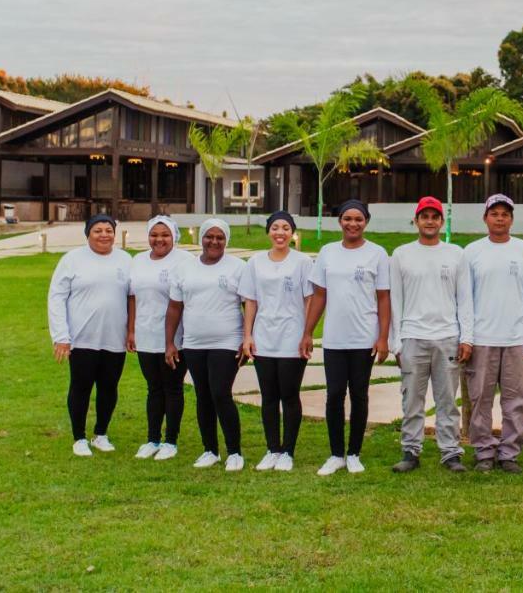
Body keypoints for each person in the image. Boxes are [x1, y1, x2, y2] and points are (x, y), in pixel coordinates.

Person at [301, 200, 391, 476]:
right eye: (347, 218)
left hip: (364, 337)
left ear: (366, 222)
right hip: (334, 339)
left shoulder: (377, 254)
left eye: (359, 219)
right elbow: (319, 296)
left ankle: (354, 453)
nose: (353, 224)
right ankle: (336, 454)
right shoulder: (328, 252)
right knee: (335, 395)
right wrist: (307, 332)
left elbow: (384, 298)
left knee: (360, 395)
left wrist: (383, 337)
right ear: (339, 221)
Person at [389, 197, 474, 473]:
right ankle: (410, 450)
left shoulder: (456, 254)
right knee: (412, 397)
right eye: (424, 216)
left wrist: (466, 337)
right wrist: (395, 342)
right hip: (413, 336)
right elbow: (395, 301)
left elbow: (465, 300)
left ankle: (450, 452)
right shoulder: (401, 254)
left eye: (434, 216)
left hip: (447, 335)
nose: (429, 221)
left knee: (447, 399)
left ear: (442, 221)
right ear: (416, 221)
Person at [462, 193, 523, 473]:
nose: (499, 218)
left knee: (516, 399)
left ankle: (509, 452)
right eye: (494, 213)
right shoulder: (471, 252)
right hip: (482, 338)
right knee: (480, 398)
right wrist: (467, 337)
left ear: (511, 219)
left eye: (505, 214)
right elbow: (465, 299)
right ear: (485, 218)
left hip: (516, 338)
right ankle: (483, 450)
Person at [165, 218, 248, 472]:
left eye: (220, 237)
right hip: (193, 342)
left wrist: (248, 338)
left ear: (227, 240)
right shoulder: (185, 269)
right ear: (201, 238)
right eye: (209, 237)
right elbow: (174, 308)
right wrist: (170, 342)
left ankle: (234, 452)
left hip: (227, 341)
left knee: (220, 393)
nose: (214, 241)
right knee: (203, 396)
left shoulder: (238, 267)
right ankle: (210, 450)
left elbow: (250, 305)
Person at [47, 213, 132, 457]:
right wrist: (61, 335)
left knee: (109, 386)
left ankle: (101, 434)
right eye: (98, 230)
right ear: (88, 234)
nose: (104, 234)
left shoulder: (125, 260)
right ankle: (79, 437)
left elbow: (133, 298)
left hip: (114, 336)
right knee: (81, 386)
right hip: (82, 337)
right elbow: (56, 297)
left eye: (108, 230)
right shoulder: (72, 260)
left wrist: (133, 332)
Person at [241, 211, 312, 473]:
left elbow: (309, 300)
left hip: (292, 337)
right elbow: (250, 300)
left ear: (292, 232)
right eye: (275, 227)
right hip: (264, 337)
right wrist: (248, 335)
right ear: (268, 231)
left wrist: (307, 333)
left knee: (289, 395)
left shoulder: (303, 262)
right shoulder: (255, 262)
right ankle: (272, 449)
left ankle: (288, 452)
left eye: (285, 228)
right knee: (269, 396)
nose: (280, 232)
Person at [127, 215, 194, 461]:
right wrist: (131, 330)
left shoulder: (186, 261)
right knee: (153, 389)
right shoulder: (138, 260)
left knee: (173, 388)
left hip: (175, 337)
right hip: (145, 334)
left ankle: (171, 441)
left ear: (174, 236)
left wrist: (175, 340)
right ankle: (152, 439)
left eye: (165, 235)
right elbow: (132, 296)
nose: (159, 240)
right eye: (154, 235)